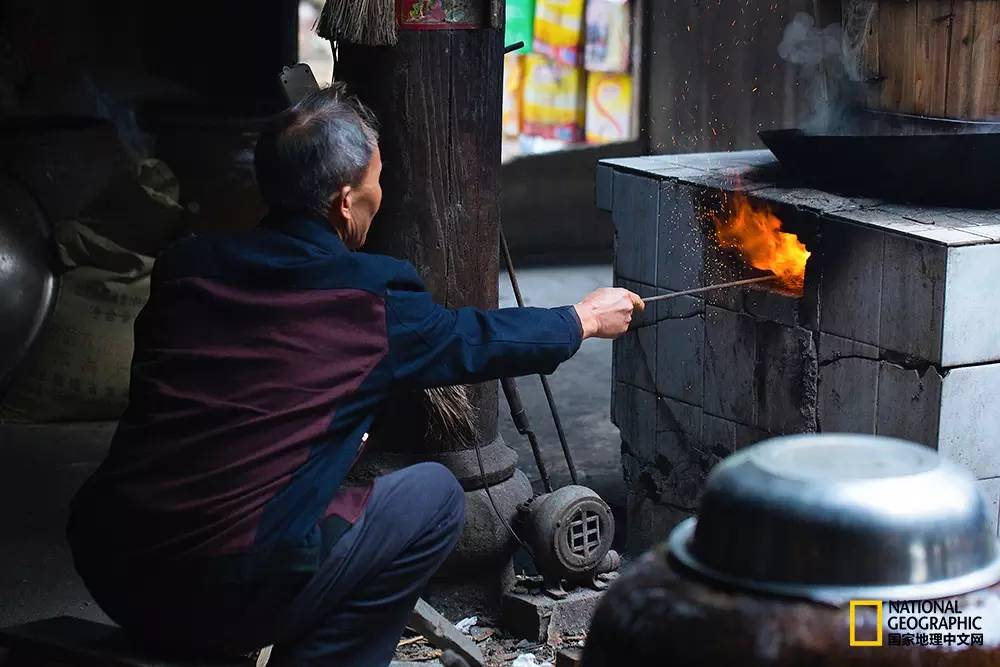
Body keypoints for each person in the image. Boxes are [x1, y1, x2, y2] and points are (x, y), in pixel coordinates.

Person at [67, 83, 643, 666]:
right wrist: (583, 319)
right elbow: (474, 339)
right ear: (346, 203)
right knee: (434, 496)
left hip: (112, 564)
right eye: (377, 181)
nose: (380, 195)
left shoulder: (185, 269)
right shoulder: (368, 297)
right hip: (224, 592)